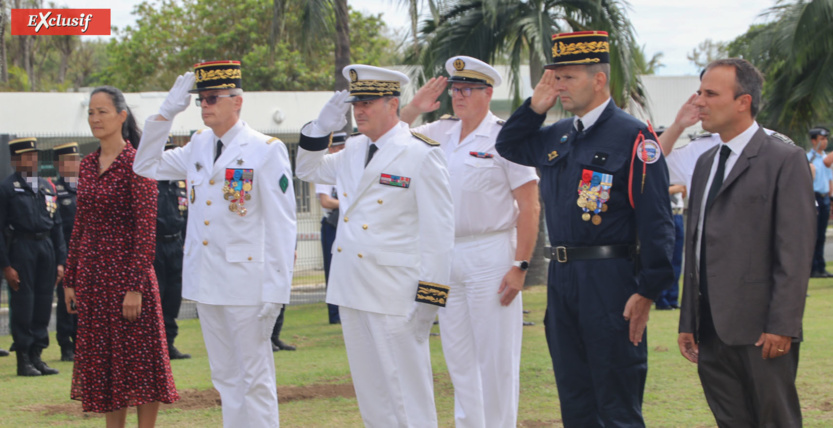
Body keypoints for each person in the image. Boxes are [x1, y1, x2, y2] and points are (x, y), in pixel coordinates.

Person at [495, 31, 675, 427]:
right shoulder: (558, 134)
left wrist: (648, 290)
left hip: (610, 280)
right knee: (574, 396)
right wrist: (534, 109)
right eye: (555, 77)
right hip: (563, 279)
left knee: (616, 399)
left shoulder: (633, 136)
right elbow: (508, 145)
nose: (559, 86)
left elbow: (657, 220)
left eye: (568, 77)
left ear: (598, 80)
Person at [133, 60, 297, 427]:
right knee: (225, 377)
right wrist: (166, 113)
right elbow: (144, 165)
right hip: (206, 279)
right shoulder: (198, 144)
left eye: (212, 98)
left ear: (237, 101)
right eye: (200, 99)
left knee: (255, 377)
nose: (204, 105)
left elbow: (282, 226)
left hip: (246, 282)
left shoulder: (265, 149)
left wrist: (277, 290)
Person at [295, 64, 454, 427]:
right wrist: (319, 128)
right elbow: (307, 170)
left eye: (367, 102)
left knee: (407, 396)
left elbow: (439, 234)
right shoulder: (353, 148)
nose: (359, 110)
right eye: (356, 103)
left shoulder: (421, 153)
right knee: (373, 396)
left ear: (392, 104)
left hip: (395, 293)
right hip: (352, 288)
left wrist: (430, 302)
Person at [400, 56, 540, 428]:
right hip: (445, 255)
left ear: (487, 93)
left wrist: (520, 265)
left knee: (496, 359)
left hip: (490, 251)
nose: (458, 96)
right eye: (455, 89)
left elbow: (529, 205)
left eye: (468, 89)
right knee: (458, 358)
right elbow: (390, 138)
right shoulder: (440, 131)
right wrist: (415, 107)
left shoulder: (506, 137)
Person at [677, 58, 814, 427]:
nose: (699, 101)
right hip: (711, 329)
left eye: (710, 94)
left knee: (775, 420)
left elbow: (795, 251)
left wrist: (783, 325)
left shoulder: (784, 159)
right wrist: (689, 319)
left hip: (761, 329)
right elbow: (697, 245)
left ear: (743, 102)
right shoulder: (705, 162)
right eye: (699, 92)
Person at [62, 86, 178, 426]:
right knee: (107, 367)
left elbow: (145, 230)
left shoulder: (138, 163)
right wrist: (70, 279)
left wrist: (135, 287)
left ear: (122, 116)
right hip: (94, 280)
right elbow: (80, 225)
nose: (95, 118)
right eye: (91, 112)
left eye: (102, 111)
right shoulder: (87, 165)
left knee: (141, 364)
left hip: (129, 279)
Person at [0, 137, 66, 376]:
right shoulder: (7, 188)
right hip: (22, 248)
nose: (32, 160)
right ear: (15, 160)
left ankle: (37, 355)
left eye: (34, 155)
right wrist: (6, 266)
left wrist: (61, 261)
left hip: (45, 247)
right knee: (24, 304)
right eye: (26, 156)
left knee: (43, 303)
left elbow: (57, 225)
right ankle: (24, 358)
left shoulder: (46, 186)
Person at [153, 137, 191, 359]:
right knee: (156, 297)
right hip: (155, 245)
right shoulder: (149, 182)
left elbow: (187, 216)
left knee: (173, 297)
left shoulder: (180, 184)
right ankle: (155, 346)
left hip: (176, 244)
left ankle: (169, 343)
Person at [52, 142, 80, 362]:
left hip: (86, 253)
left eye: (76, 159)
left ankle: (82, 342)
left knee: (86, 300)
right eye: (69, 160)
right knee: (66, 301)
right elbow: (56, 227)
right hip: (66, 252)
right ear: (59, 165)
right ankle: (66, 344)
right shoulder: (54, 191)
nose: (74, 164)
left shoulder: (87, 187)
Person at [316, 132, 346, 325]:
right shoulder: (325, 170)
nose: (343, 151)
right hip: (332, 224)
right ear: (331, 149)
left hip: (347, 223)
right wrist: (348, 203)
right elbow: (326, 201)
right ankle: (335, 314)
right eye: (339, 148)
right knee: (333, 268)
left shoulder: (350, 169)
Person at [807, 127, 832, 278]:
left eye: (826, 139)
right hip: (813, 196)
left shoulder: (826, 158)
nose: (825, 142)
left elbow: (829, 180)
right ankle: (813, 268)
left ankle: (821, 267)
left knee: (821, 234)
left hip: (825, 197)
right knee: (813, 234)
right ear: (813, 141)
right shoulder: (808, 158)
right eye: (821, 139)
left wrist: (830, 197)